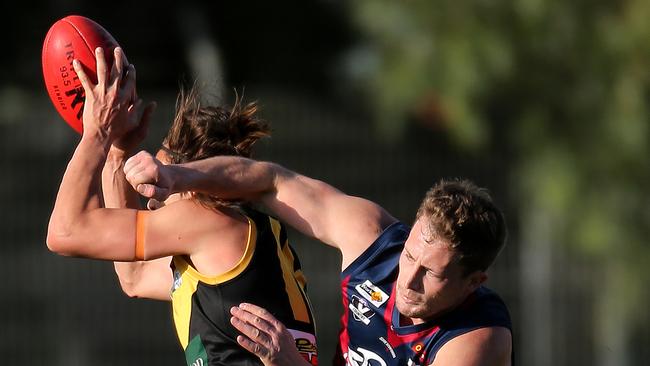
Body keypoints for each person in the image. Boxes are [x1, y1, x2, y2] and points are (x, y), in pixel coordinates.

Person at [122, 130, 514, 366]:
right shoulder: (373, 240)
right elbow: (272, 182)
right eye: (410, 255)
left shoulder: (475, 339)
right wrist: (175, 176)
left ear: (474, 282)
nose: (406, 280)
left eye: (432, 273)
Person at [46, 47, 318, 366]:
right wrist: (117, 155)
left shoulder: (205, 219)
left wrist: (97, 134)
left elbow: (65, 232)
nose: (151, 200)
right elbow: (135, 277)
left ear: (183, 171)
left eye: (159, 191)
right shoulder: (241, 236)